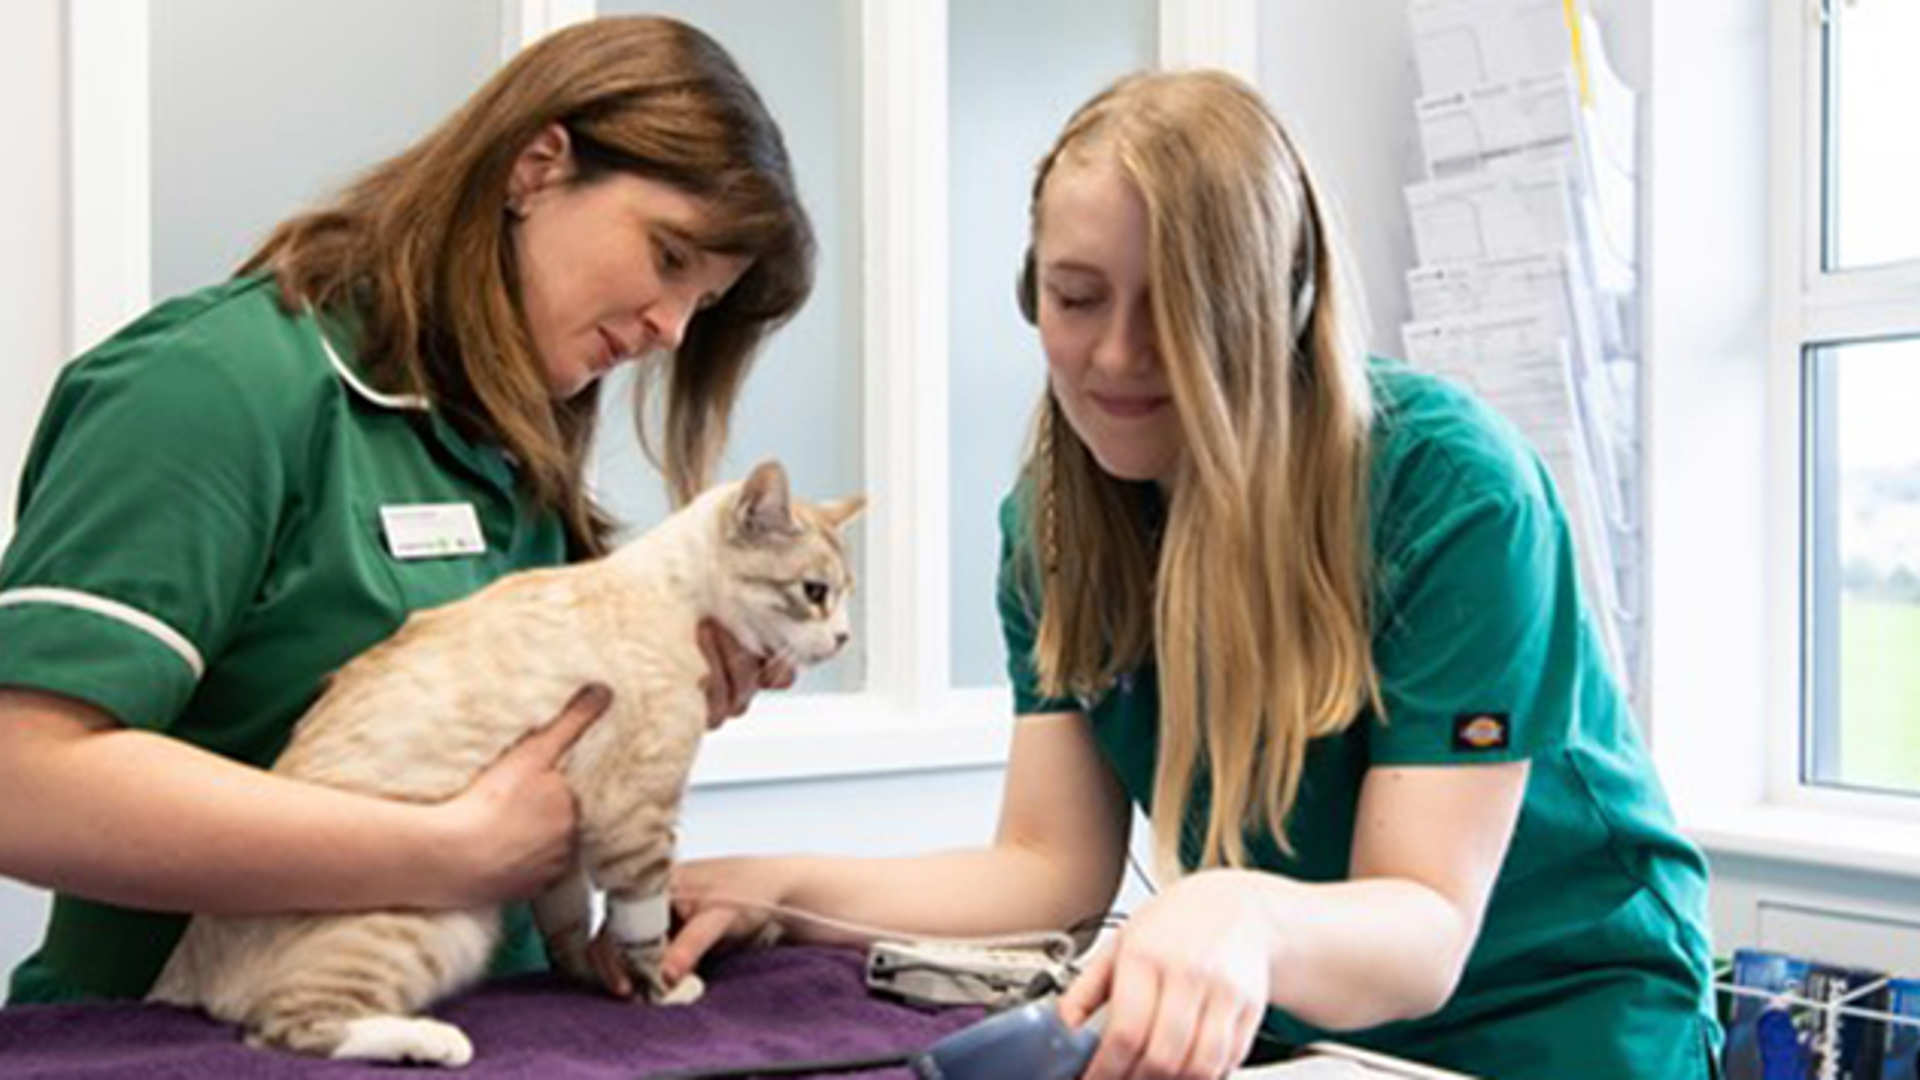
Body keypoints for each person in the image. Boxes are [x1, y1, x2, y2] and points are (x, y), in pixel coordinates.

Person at [663, 71, 1720, 1080]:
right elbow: (1049, 870)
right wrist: (779, 886)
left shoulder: (1449, 491)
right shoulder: (1053, 531)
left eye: (1176, 307)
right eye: (1078, 300)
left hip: (1558, 1024)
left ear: (1280, 303)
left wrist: (1241, 912)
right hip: (1291, 1022)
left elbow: (1424, 925)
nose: (1118, 357)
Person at [0, 15, 811, 1005]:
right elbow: (21, 784)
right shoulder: (211, 389)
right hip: (182, 1037)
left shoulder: (510, 444)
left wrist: (651, 714)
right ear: (537, 168)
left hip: (476, 1027)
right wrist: (447, 850)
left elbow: (502, 770)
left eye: (705, 302)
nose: (671, 328)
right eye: (670, 258)